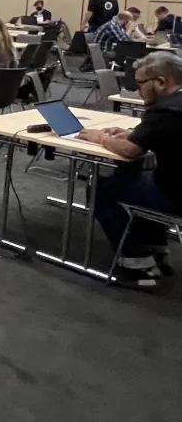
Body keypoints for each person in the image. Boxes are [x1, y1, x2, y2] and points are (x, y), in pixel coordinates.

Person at [80, 52, 182, 287]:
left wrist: (99, 138)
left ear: (161, 82)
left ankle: (138, 265)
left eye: (140, 85)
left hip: (176, 195)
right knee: (135, 178)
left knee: (101, 188)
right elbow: (164, 134)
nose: (137, 91)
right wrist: (136, 132)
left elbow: (129, 151)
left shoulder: (166, 110)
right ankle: (156, 249)